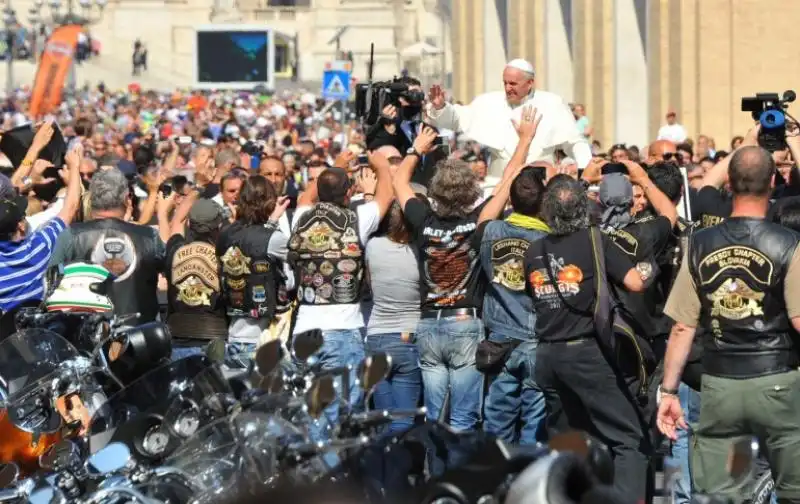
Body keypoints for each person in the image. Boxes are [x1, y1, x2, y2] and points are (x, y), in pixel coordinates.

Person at [658, 146, 800, 504]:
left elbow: (682, 328)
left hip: (720, 384)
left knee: (721, 495)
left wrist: (669, 391)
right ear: (772, 182)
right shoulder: (789, 244)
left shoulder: (698, 244)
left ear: (729, 185)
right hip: (778, 380)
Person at [524, 176, 650, 501]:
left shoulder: (534, 251)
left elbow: (533, 297)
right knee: (629, 439)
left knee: (569, 441)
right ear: (585, 207)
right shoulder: (596, 240)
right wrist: (649, 267)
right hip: (584, 353)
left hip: (547, 357)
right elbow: (636, 283)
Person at [287, 151, 394, 436]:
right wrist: (381, 165)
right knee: (339, 421)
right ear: (348, 193)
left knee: (311, 415)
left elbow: (305, 198)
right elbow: (385, 197)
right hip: (341, 331)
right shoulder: (356, 219)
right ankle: (327, 475)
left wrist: (336, 166)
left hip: (304, 331)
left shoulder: (301, 217)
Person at [476, 167, 549, 445]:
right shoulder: (550, 241)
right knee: (535, 419)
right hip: (536, 337)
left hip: (500, 339)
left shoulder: (492, 230)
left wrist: (505, 184)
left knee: (497, 418)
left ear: (511, 201)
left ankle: (500, 478)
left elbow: (484, 217)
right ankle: (529, 478)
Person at [425, 59, 590, 178]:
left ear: (530, 83)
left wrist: (583, 169)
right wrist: (440, 107)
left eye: (513, 84)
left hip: (542, 184)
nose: (507, 88)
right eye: (505, 83)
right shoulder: (489, 102)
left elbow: (575, 142)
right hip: (499, 183)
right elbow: (456, 118)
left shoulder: (552, 103)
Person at [49, 167, 166, 325]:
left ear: (91, 199)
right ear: (127, 198)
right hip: (139, 334)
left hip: (88, 337)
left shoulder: (70, 236)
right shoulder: (149, 237)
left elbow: (52, 285)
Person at [0, 147, 83, 339]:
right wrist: (75, 168)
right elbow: (70, 208)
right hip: (40, 341)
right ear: (21, 226)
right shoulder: (39, 247)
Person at [217, 176, 291, 364]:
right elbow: (291, 281)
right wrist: (273, 222)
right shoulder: (274, 239)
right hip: (264, 340)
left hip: (234, 338)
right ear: (269, 202)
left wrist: (272, 221)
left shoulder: (225, 234)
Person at [163, 192, 228, 360]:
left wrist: (196, 189)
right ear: (218, 227)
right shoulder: (224, 256)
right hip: (214, 342)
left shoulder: (174, 249)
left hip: (177, 340)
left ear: (190, 224)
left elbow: (176, 222)